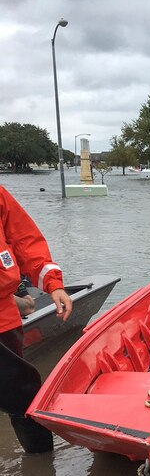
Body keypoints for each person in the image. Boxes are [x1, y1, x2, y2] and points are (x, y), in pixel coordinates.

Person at [0, 186, 73, 453]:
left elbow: (25, 241)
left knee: (22, 392)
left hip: (2, 317)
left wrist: (54, 285)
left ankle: (40, 466)